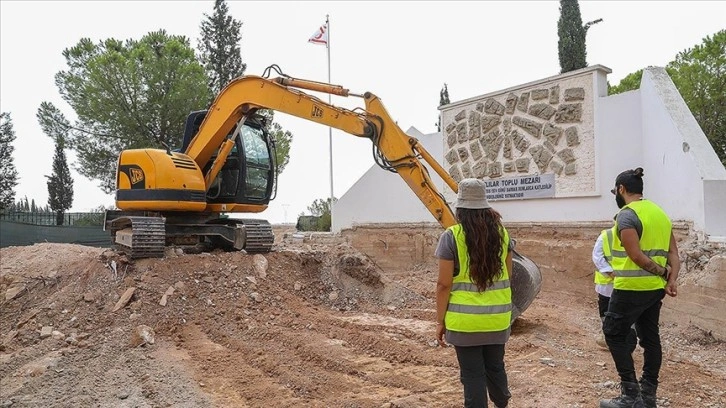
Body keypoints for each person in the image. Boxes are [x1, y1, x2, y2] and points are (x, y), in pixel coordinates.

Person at [600, 167, 680, 408]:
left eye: (616, 190)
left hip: (630, 288)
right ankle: (648, 396)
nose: (616, 194)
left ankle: (630, 396)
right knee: (650, 338)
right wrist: (671, 279)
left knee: (613, 333)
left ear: (622, 189)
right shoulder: (660, 214)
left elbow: (635, 256)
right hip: (654, 290)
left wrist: (663, 272)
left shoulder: (626, 215)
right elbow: (674, 253)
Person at [435, 178, 513, 408]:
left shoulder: (451, 237)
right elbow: (507, 276)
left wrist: (440, 321)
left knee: (472, 375)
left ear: (460, 208)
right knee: (495, 367)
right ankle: (502, 402)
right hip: (497, 319)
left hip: (464, 323)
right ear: (485, 206)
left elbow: (443, 284)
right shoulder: (502, 234)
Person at [593, 222, 638, 350]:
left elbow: (597, 257)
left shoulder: (606, 236)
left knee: (617, 313)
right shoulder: (608, 236)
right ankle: (611, 339)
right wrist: (612, 273)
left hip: (619, 284)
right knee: (611, 313)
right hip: (615, 284)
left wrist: (611, 272)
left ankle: (624, 342)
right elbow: (598, 257)